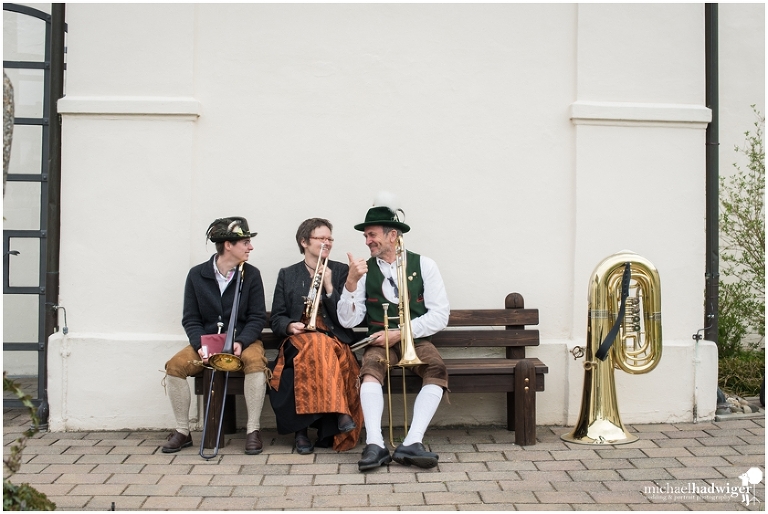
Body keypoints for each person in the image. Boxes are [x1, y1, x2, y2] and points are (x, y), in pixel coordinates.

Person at [338, 200, 450, 471]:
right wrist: (351, 283)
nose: (367, 241)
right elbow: (348, 320)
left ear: (392, 235)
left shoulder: (425, 265)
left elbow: (440, 315)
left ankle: (412, 442)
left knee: (436, 368)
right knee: (369, 370)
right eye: (365, 235)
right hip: (378, 338)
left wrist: (401, 334)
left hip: (417, 339)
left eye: (371, 234)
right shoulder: (364, 271)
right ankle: (375, 444)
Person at [163, 217, 269, 455]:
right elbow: (191, 318)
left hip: (244, 340)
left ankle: (253, 430)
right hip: (207, 343)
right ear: (228, 245)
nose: (250, 247)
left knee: (255, 362)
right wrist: (201, 345)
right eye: (245, 241)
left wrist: (242, 341)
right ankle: (182, 431)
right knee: (175, 366)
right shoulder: (196, 275)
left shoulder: (251, 275)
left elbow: (256, 317)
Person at [269, 218, 363, 454]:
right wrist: (290, 326)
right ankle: (341, 413)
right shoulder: (287, 274)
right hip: (298, 338)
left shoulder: (341, 271)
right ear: (304, 242)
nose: (327, 242)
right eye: (321, 238)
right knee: (317, 345)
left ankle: (302, 433)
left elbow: (344, 318)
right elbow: (277, 317)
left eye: (330, 238)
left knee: (323, 348)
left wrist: (330, 287)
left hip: (333, 337)